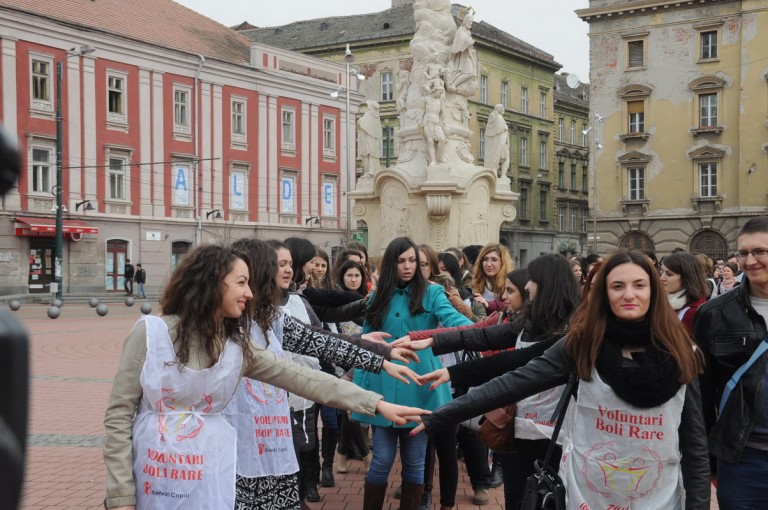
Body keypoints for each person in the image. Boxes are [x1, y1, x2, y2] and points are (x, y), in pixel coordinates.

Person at [102, 244, 427, 510]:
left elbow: (303, 376)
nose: (250, 291)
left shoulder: (239, 344)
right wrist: (121, 496)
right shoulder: (152, 333)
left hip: (213, 473)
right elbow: (119, 415)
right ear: (213, 282)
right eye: (242, 282)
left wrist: (375, 402)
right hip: (156, 474)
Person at [413, 250, 711, 510]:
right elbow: (515, 381)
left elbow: (695, 446)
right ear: (604, 294)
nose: (629, 294)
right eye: (617, 286)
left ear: (653, 291)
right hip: (587, 498)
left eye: (639, 285)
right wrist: (440, 415)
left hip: (657, 499)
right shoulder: (582, 344)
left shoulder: (682, 352)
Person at [228, 238, 419, 510]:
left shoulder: (269, 316)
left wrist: (381, 357)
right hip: (232, 450)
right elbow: (298, 376)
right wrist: (375, 392)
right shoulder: (220, 333)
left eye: (289, 265)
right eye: (277, 266)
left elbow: (321, 340)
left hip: (271, 439)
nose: (286, 272)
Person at [404, 254, 580, 509]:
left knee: (547, 501)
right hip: (518, 429)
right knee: (516, 499)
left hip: (555, 438)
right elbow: (483, 335)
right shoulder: (529, 321)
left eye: (531, 281)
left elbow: (510, 365)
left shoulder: (571, 334)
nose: (527, 287)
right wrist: (433, 342)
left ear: (548, 284)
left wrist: (449, 390)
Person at [353, 237, 474, 510]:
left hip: (421, 386)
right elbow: (363, 342)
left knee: (416, 460)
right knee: (382, 458)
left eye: (413, 261)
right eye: (401, 261)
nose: (408, 267)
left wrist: (487, 334)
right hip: (383, 383)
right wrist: (359, 389)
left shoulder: (432, 293)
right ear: (390, 265)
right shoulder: (376, 296)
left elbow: (455, 321)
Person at [693, 216, 768, 509]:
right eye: (743, 253)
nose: (750, 260)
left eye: (760, 251)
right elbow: (700, 395)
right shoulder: (714, 314)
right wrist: (709, 460)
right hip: (741, 459)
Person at [659, 251, 709, 334]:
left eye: (669, 274)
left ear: (686, 278)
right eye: (662, 272)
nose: (661, 278)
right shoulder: (659, 302)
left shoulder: (695, 312)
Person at [469, 243, 514, 314]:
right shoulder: (475, 282)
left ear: (503, 262)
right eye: (485, 259)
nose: (488, 264)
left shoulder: (511, 283)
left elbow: (513, 306)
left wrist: (488, 304)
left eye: (494, 260)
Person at [358, 100, 382, 177]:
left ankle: (369, 171)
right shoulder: (376, 117)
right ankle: (371, 171)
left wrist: (360, 121)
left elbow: (362, 123)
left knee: (367, 154)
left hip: (367, 138)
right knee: (371, 155)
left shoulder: (368, 114)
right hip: (372, 139)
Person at [484, 104, 509, 177]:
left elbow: (504, 130)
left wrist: (508, 142)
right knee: (496, 155)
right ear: (499, 109)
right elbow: (491, 129)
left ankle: (503, 175)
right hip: (497, 140)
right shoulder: (494, 115)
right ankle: (493, 170)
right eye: (502, 108)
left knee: (505, 158)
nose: (503, 109)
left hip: (503, 141)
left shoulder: (500, 117)